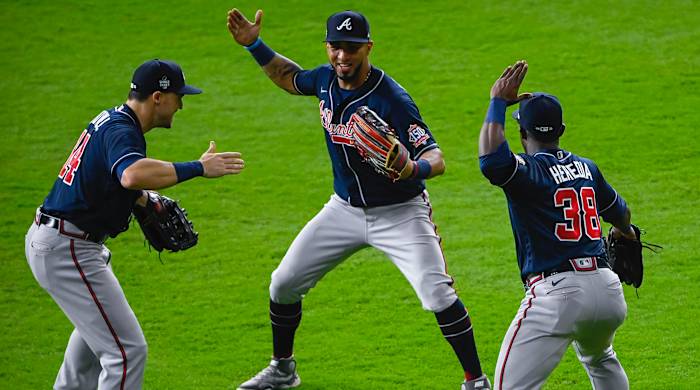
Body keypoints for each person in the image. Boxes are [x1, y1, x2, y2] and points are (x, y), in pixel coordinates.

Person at [227, 9, 490, 390]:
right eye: (335, 47)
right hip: (344, 209)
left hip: (401, 213)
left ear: (368, 47)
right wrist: (254, 43)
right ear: (327, 47)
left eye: (351, 49)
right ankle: (283, 369)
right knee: (283, 283)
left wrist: (414, 170)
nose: (342, 57)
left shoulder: (393, 99)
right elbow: (288, 77)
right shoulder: (324, 81)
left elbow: (437, 157)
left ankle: (476, 381)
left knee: (437, 294)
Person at [25, 59, 245, 390]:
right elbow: (130, 174)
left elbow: (106, 180)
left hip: (63, 241)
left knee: (86, 353)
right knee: (126, 352)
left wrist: (142, 200)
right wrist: (198, 167)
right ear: (158, 97)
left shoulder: (114, 121)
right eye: (178, 97)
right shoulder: (120, 129)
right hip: (68, 248)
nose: (182, 104)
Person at [478, 60, 633, 389]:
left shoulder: (528, 172)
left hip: (557, 295)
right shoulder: (587, 168)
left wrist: (496, 102)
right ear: (561, 131)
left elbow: (492, 161)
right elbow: (621, 214)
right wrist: (625, 232)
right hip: (607, 291)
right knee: (600, 357)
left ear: (522, 133)